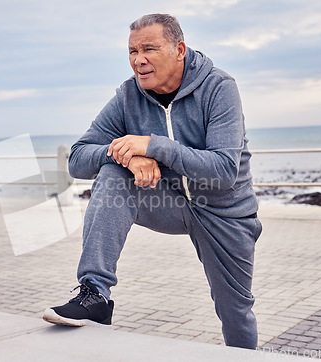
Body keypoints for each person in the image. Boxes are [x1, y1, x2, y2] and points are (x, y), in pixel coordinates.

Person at [42, 13, 262, 350]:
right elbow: (77, 158)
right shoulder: (129, 95)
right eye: (132, 51)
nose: (138, 60)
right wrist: (127, 154)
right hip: (167, 202)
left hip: (224, 212)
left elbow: (223, 171)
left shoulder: (219, 88)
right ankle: (95, 294)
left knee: (235, 311)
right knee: (114, 172)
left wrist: (152, 145)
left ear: (179, 50)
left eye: (149, 49)